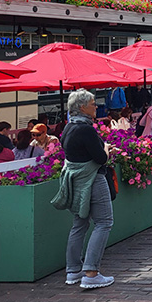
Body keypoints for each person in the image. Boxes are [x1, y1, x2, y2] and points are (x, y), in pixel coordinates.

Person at [52, 89, 115, 289]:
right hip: (93, 179)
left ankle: (73, 271)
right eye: (92, 103)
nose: (96, 106)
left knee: (79, 224)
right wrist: (106, 149)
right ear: (82, 107)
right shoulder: (86, 129)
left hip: (76, 182)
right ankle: (91, 273)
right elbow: (100, 158)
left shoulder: (69, 128)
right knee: (104, 222)